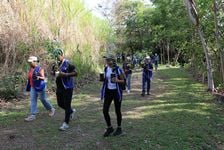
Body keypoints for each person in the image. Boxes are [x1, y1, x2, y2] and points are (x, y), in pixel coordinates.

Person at [52, 49, 78, 131]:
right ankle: (71, 111)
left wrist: (65, 74)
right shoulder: (55, 64)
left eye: (59, 55)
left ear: (63, 54)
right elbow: (53, 73)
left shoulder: (68, 63)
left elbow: (76, 73)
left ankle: (66, 123)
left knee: (67, 105)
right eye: (56, 56)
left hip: (68, 87)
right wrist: (54, 73)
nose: (57, 57)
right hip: (59, 87)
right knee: (60, 104)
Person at [100, 55, 125, 137]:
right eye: (106, 60)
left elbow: (123, 81)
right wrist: (102, 79)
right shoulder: (106, 68)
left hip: (116, 92)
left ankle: (119, 128)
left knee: (117, 110)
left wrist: (117, 80)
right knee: (105, 110)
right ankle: (110, 127)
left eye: (108, 60)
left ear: (113, 61)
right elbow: (106, 79)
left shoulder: (118, 69)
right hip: (108, 91)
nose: (107, 61)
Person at [25, 56, 55, 121]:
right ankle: (33, 115)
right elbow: (30, 78)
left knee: (43, 99)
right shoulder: (30, 69)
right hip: (33, 87)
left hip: (40, 86)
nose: (30, 63)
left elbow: (44, 78)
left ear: (35, 62)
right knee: (33, 100)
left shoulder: (40, 69)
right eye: (29, 62)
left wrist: (38, 77)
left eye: (31, 62)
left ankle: (51, 109)